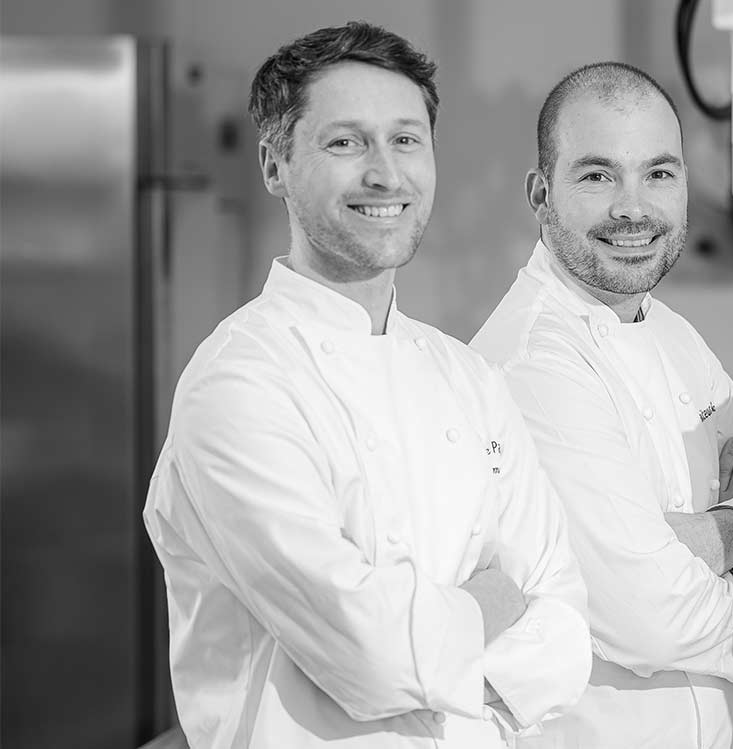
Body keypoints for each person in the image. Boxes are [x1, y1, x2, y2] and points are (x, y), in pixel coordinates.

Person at [142, 22, 590, 748]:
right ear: (275, 165)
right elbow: (368, 656)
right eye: (346, 142)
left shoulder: (467, 376)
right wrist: (493, 605)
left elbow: (566, 633)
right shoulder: (237, 385)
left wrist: (429, 643)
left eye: (406, 140)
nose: (386, 175)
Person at [470, 62, 733, 748]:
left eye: (658, 173)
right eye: (598, 176)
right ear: (541, 194)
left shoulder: (670, 332)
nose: (633, 208)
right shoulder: (531, 361)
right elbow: (649, 617)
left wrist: (712, 535)